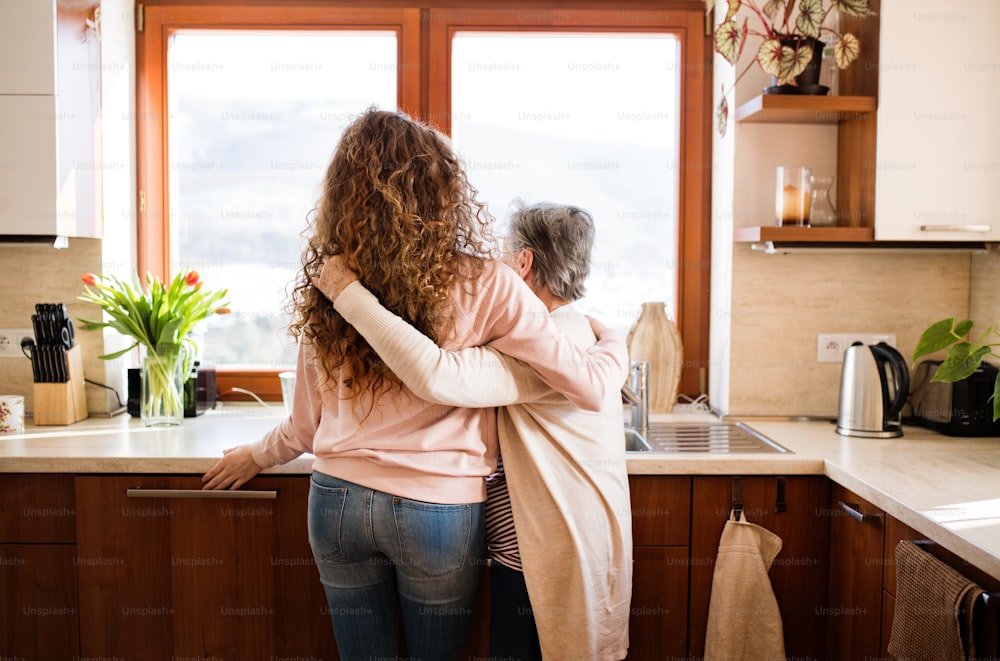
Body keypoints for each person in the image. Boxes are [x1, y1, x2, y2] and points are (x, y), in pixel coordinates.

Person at [201, 108, 628, 661]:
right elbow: (585, 384)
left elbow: (307, 426)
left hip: (337, 502)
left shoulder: (333, 281)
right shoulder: (489, 284)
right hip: (438, 511)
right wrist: (614, 338)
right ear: (443, 193)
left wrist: (257, 455)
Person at [319, 202, 633, 660]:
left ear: (523, 262)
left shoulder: (539, 355)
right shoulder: (582, 334)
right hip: (568, 551)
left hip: (539, 564)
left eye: (504, 255)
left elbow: (435, 373)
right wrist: (618, 340)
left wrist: (348, 294)